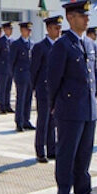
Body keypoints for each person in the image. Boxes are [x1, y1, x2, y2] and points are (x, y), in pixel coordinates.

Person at [47, 0, 97, 194]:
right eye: (82, 16)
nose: (86, 19)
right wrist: (55, 105)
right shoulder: (62, 45)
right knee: (67, 157)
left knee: (84, 156)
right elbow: (53, 80)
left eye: (87, 16)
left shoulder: (90, 44)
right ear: (70, 18)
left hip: (88, 109)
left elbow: (93, 78)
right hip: (69, 110)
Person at [30, 15, 61, 163]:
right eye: (56, 28)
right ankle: (40, 151)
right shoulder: (40, 47)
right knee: (43, 121)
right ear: (48, 29)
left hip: (57, 91)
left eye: (60, 28)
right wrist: (34, 88)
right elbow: (34, 70)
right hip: (44, 90)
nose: (58, 31)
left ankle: (52, 149)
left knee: (53, 122)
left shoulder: (60, 46)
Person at [10, 21, 35, 131]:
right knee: (21, 98)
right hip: (20, 75)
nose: (29, 32)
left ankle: (26, 120)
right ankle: (19, 122)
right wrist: (15, 75)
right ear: (22, 30)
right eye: (27, 30)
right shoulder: (16, 44)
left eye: (30, 30)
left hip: (30, 75)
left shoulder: (32, 43)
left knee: (28, 98)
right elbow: (12, 61)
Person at [0, 21, 14, 112]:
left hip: (10, 69)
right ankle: (2, 106)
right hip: (2, 69)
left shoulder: (13, 41)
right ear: (5, 30)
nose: (10, 31)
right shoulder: (0, 41)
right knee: (2, 88)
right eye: (8, 29)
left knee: (8, 88)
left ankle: (7, 105)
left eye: (11, 29)